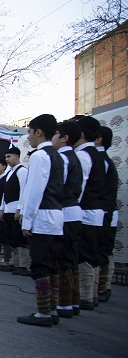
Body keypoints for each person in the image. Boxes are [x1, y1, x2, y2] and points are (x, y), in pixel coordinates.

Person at [17, 114, 65, 327]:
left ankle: (43, 312)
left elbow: (35, 191)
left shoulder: (39, 156)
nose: (29, 136)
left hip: (42, 218)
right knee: (52, 265)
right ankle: (51, 309)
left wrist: (27, 222)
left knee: (41, 265)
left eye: (29, 131)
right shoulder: (58, 156)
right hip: (56, 217)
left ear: (38, 132)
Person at [51, 121, 83, 318]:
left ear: (64, 138)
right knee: (70, 257)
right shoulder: (75, 157)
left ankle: (63, 303)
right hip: (73, 212)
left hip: (64, 212)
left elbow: (57, 188)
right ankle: (73, 301)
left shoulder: (62, 158)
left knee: (61, 257)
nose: (52, 138)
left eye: (55, 134)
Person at [73, 116, 105, 310]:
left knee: (84, 254)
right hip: (94, 212)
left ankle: (85, 296)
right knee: (90, 253)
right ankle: (89, 294)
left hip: (85, 212)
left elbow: (79, 187)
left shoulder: (84, 155)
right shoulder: (98, 156)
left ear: (82, 134)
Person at [96, 126, 118, 303]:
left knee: (103, 250)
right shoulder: (98, 159)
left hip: (104, 213)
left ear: (98, 139)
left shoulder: (101, 161)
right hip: (101, 212)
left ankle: (103, 288)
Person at [3, 147, 30, 275]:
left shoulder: (22, 171)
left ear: (17, 157)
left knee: (19, 237)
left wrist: (20, 209)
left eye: (9, 157)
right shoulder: (9, 173)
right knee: (11, 237)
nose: (7, 160)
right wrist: (2, 210)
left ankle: (23, 265)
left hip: (17, 209)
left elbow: (24, 191)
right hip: (8, 209)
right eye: (6, 157)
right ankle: (15, 263)